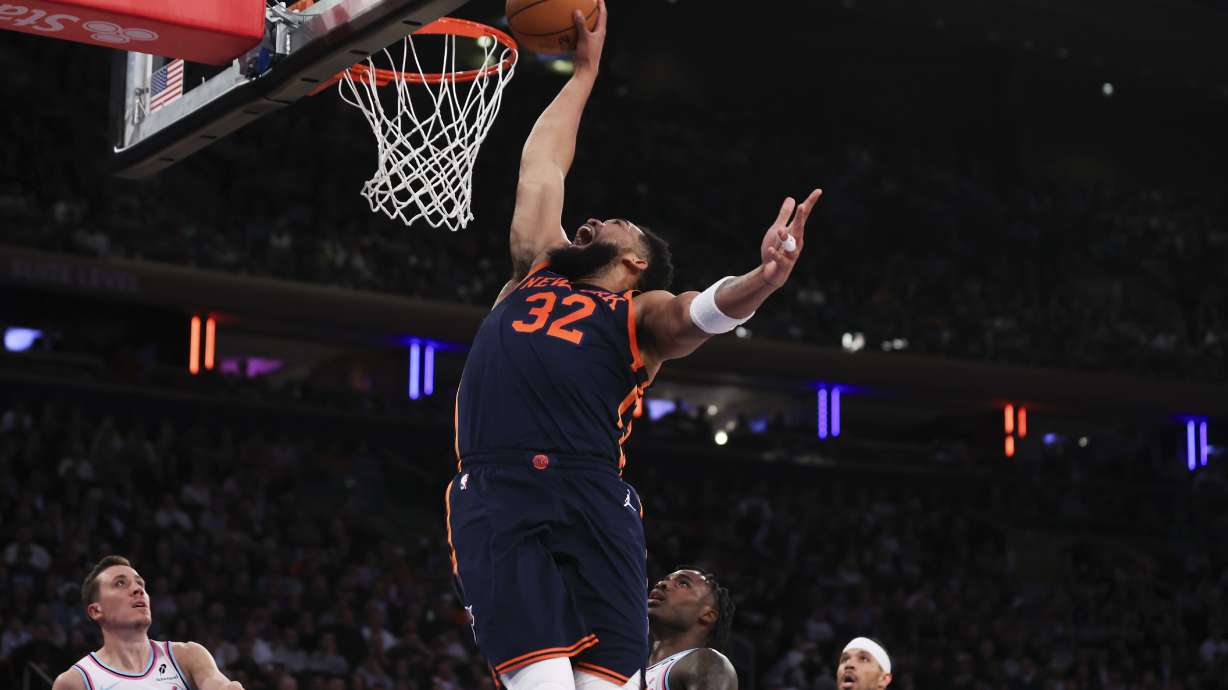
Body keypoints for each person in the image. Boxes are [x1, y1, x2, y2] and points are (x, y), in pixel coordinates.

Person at [445, 0, 821, 687]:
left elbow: (698, 314)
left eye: (615, 222)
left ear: (637, 261)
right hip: (502, 491)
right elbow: (543, 166)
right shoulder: (533, 268)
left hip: (595, 497)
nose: (592, 218)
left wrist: (763, 279)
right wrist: (583, 74)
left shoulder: (639, 313)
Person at [51, 555, 245, 690]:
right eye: (120, 583)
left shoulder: (187, 656)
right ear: (96, 610)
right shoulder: (76, 681)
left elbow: (218, 683)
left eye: (140, 583)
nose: (138, 589)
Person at [645, 568, 738, 690]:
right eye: (665, 579)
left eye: (683, 583)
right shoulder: (631, 665)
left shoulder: (707, 661)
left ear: (707, 615)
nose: (661, 583)